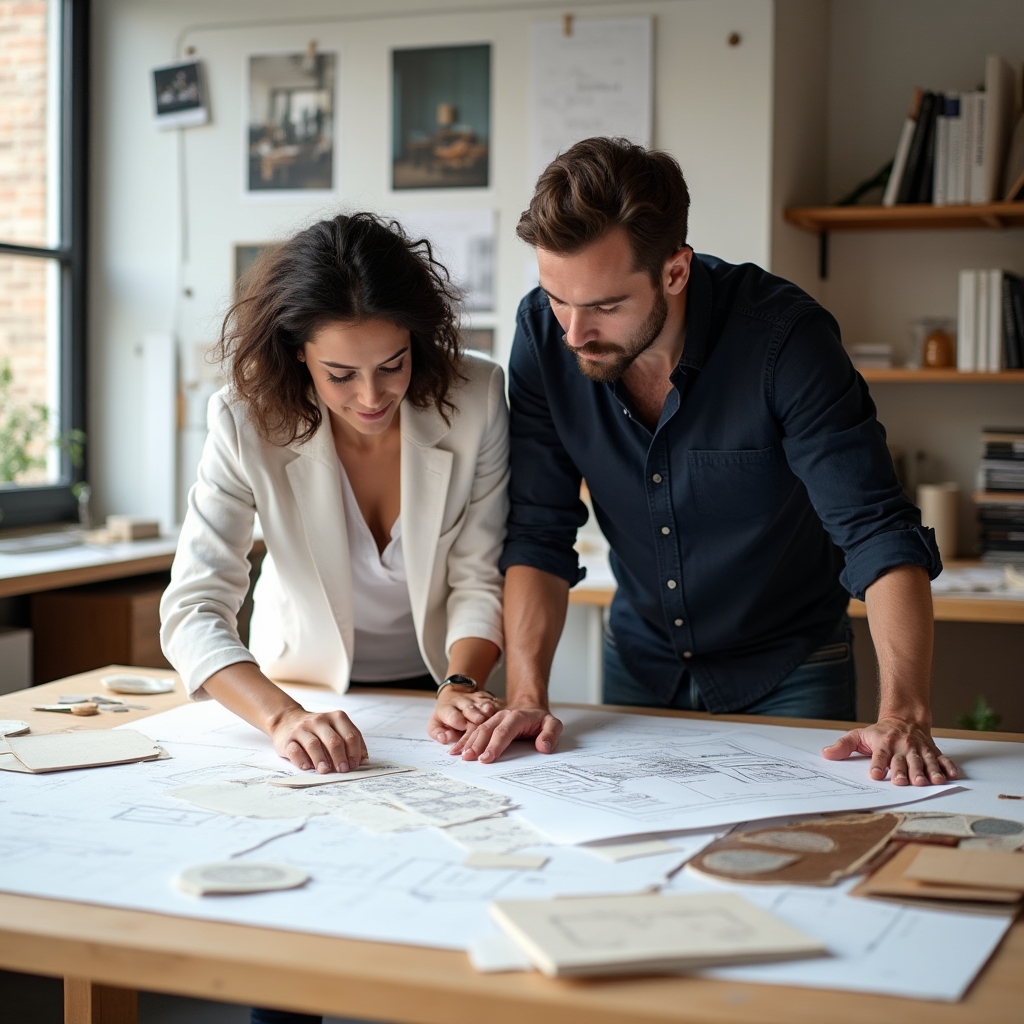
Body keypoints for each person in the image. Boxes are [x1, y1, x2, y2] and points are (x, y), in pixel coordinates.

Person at [450, 137, 959, 790]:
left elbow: (876, 530)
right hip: (640, 659)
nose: (574, 332)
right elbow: (538, 532)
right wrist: (526, 696)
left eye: (605, 306)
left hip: (787, 667)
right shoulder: (545, 340)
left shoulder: (786, 342)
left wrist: (906, 715)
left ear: (675, 272)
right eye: (557, 298)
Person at [160, 214, 509, 1024]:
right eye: (340, 374)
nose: (373, 396)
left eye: (393, 365)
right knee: (295, 939)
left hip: (437, 697)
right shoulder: (243, 420)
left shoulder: (479, 395)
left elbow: (477, 574)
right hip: (301, 703)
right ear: (296, 357)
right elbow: (193, 609)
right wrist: (280, 717)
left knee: (447, 922)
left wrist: (462, 682)